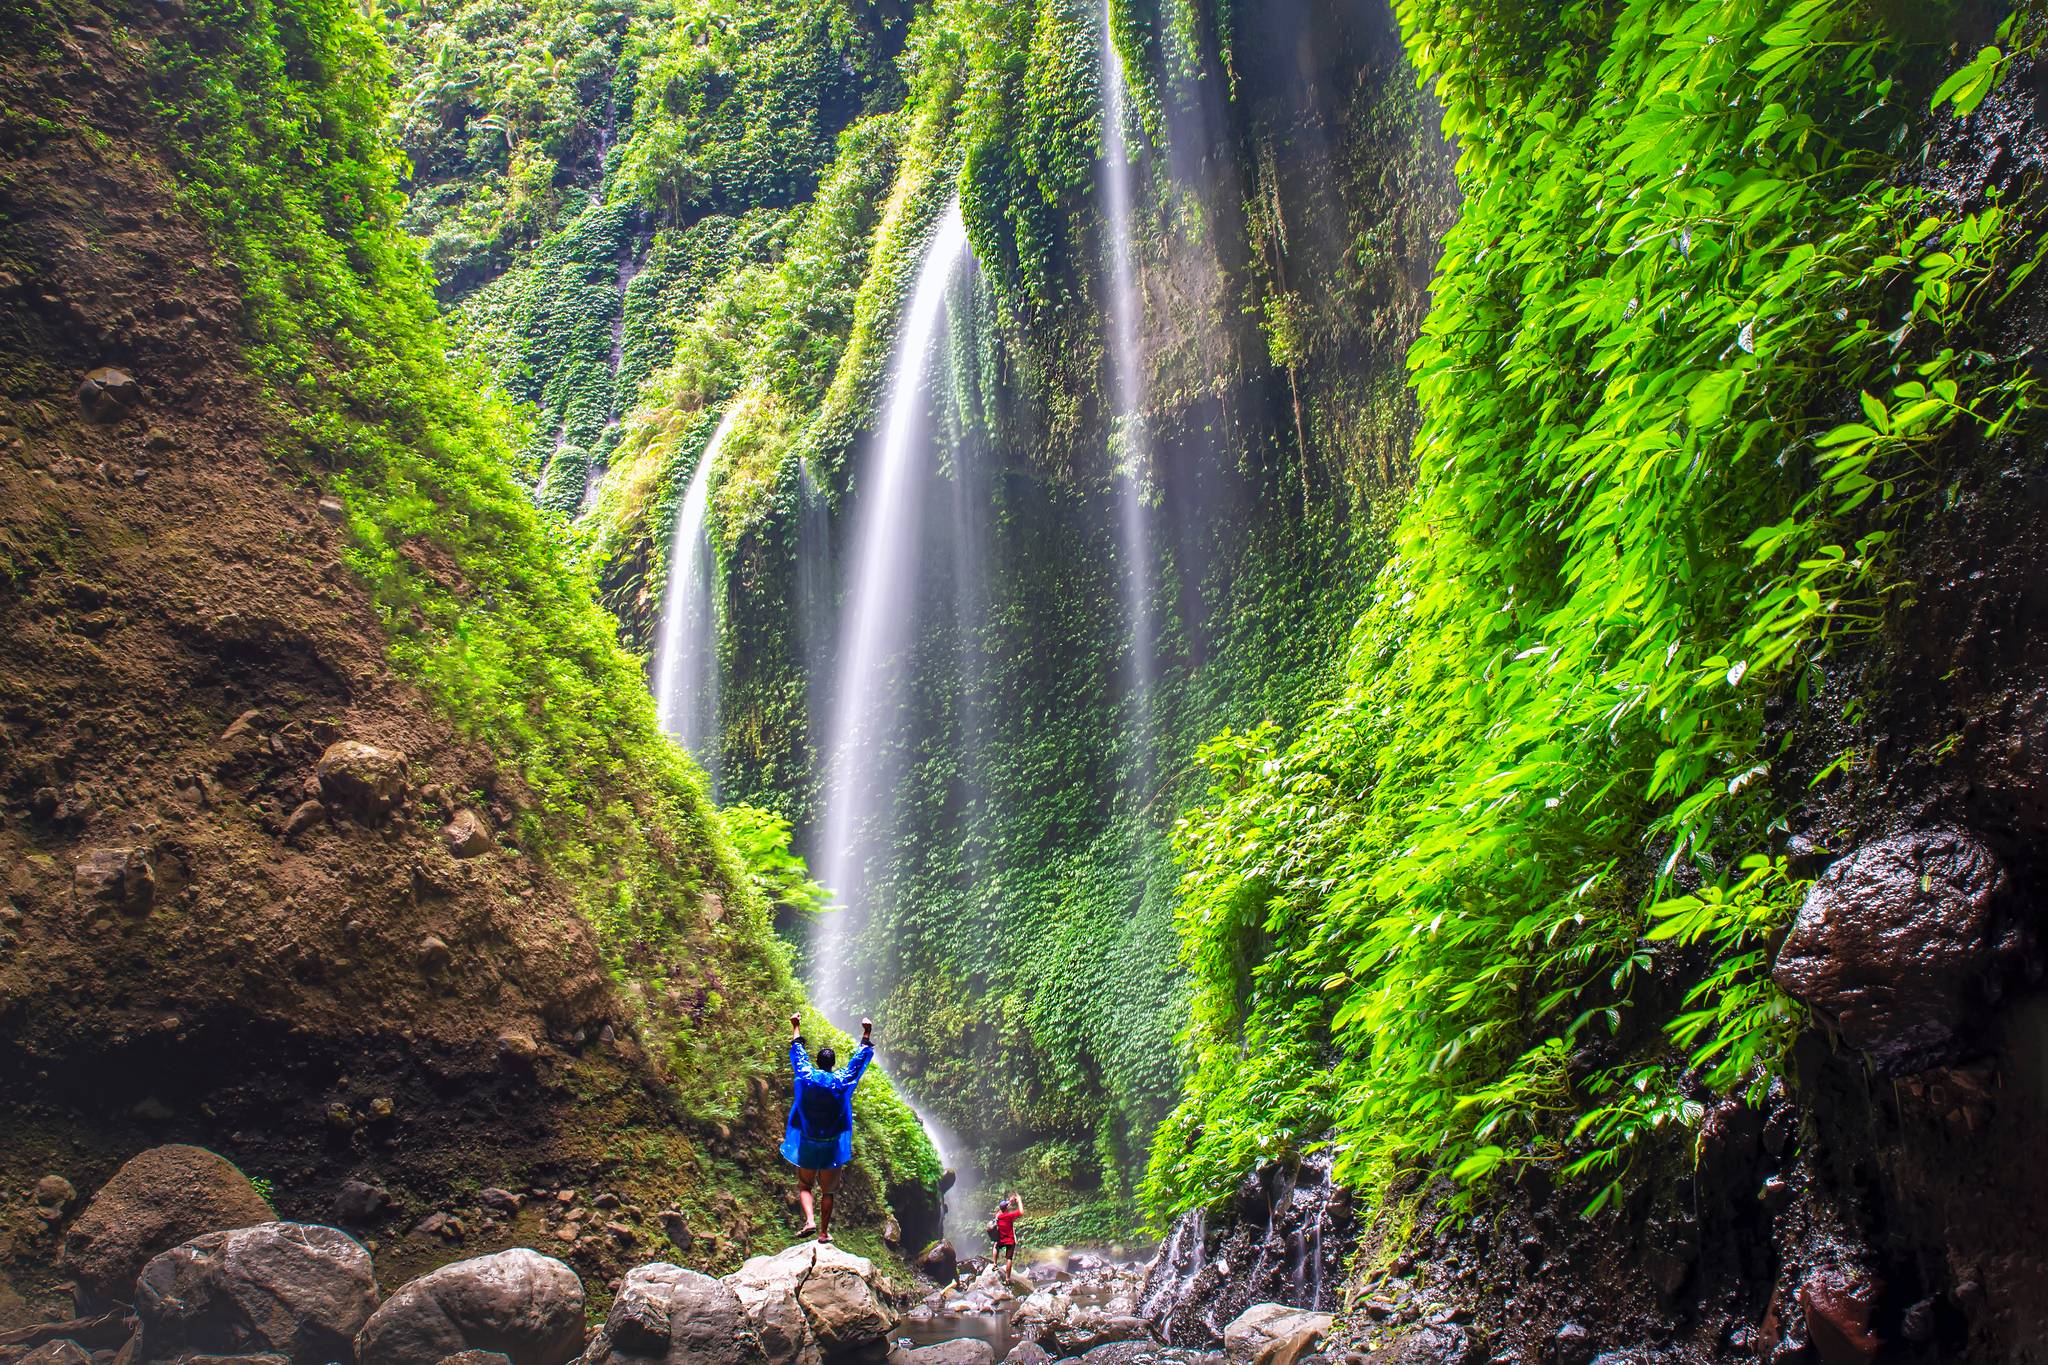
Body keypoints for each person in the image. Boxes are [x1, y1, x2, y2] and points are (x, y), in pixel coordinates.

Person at [781, 1011, 873, 1243]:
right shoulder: (841, 1082)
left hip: (808, 1141)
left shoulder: (806, 1076)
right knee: (828, 1191)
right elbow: (857, 1063)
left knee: (804, 1185)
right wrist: (866, 1034)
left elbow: (798, 1053)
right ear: (832, 1064)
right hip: (831, 1144)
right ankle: (823, 1233)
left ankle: (809, 1220)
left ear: (818, 1062)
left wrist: (796, 1025)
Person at [991, 1192, 1024, 1272]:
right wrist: (1019, 1201)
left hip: (1001, 1239)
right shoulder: (1009, 1216)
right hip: (1009, 1240)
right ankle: (1007, 1279)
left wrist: (1010, 1201)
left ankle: (994, 1264)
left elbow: (1003, 1208)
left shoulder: (998, 1215)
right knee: (1009, 1259)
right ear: (1006, 1208)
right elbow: (1021, 1212)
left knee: (995, 1246)